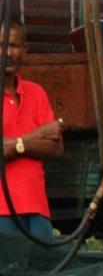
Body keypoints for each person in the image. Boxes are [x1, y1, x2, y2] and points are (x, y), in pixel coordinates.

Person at [0, 20, 64, 240]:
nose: (8, 52)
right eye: (2, 45)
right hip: (2, 212)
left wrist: (16, 144)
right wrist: (38, 137)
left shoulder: (36, 92)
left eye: (14, 45)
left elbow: (57, 148)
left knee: (44, 262)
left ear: (24, 50)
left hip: (37, 210)